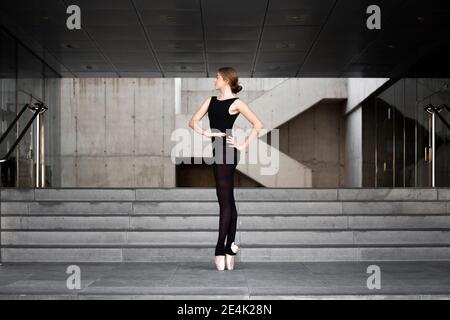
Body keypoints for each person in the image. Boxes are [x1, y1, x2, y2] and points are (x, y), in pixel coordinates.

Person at [188, 67, 264, 270]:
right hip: (218, 150)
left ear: (227, 80)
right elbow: (192, 122)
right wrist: (207, 133)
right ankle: (230, 249)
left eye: (218, 77)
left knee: (224, 201)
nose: (215, 80)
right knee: (228, 200)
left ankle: (219, 250)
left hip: (228, 152)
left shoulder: (237, 103)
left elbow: (258, 124)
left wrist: (243, 145)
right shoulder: (210, 101)